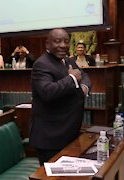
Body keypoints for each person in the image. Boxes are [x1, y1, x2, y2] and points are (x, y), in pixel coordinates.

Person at [30, 28, 91, 165]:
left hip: (68, 133)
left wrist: (84, 88)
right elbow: (48, 92)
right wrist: (71, 78)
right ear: (47, 44)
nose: (63, 45)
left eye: (66, 41)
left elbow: (84, 76)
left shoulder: (68, 60)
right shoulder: (41, 64)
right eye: (57, 41)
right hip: (50, 137)